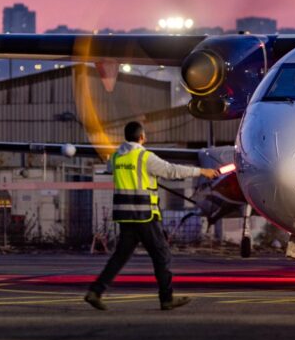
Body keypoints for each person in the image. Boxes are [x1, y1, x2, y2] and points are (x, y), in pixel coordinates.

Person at [85, 121, 219, 311]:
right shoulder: (143, 157)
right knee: (162, 254)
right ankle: (166, 298)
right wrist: (202, 171)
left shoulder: (115, 158)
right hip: (144, 215)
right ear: (141, 137)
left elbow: (119, 173)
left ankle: (95, 291)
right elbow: (172, 171)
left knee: (120, 257)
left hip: (125, 216)